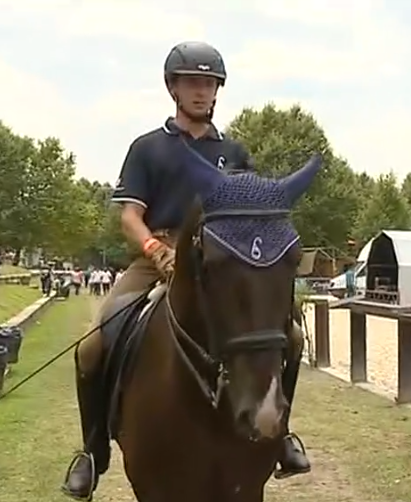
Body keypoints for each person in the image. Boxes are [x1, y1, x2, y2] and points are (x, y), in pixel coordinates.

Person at [61, 41, 312, 500]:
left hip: (218, 260)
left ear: (217, 90)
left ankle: (282, 435)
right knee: (95, 344)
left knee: (289, 334)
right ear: (173, 88)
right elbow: (129, 216)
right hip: (156, 257)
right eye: (191, 82)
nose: (200, 91)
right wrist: (156, 250)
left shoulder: (234, 152)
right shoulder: (148, 148)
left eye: (208, 83)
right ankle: (92, 451)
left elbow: (248, 214)